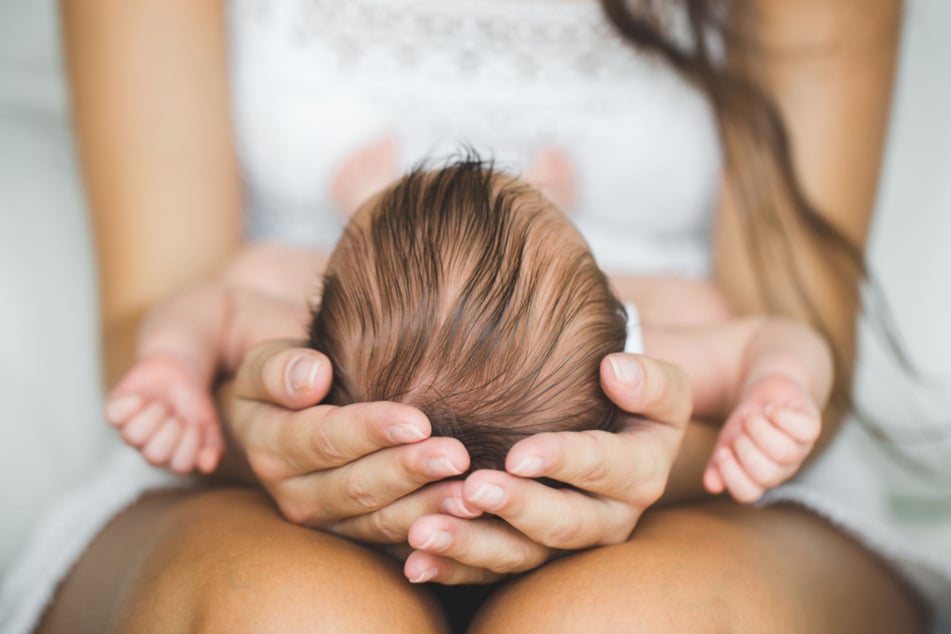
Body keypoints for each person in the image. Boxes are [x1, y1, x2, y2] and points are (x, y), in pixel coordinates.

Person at [3, 0, 939, 632]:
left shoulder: (282, 296)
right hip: (269, 476)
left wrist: (692, 456)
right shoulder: (654, 331)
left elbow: (195, 314)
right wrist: (231, 422)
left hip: (675, 473)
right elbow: (775, 349)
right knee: (283, 612)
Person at [106, 158, 829, 499]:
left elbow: (215, 304)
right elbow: (772, 336)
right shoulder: (629, 363)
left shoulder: (310, 359)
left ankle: (360, 198)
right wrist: (777, 389)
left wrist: (174, 362)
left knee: (254, 263)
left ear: (315, 309)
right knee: (704, 305)